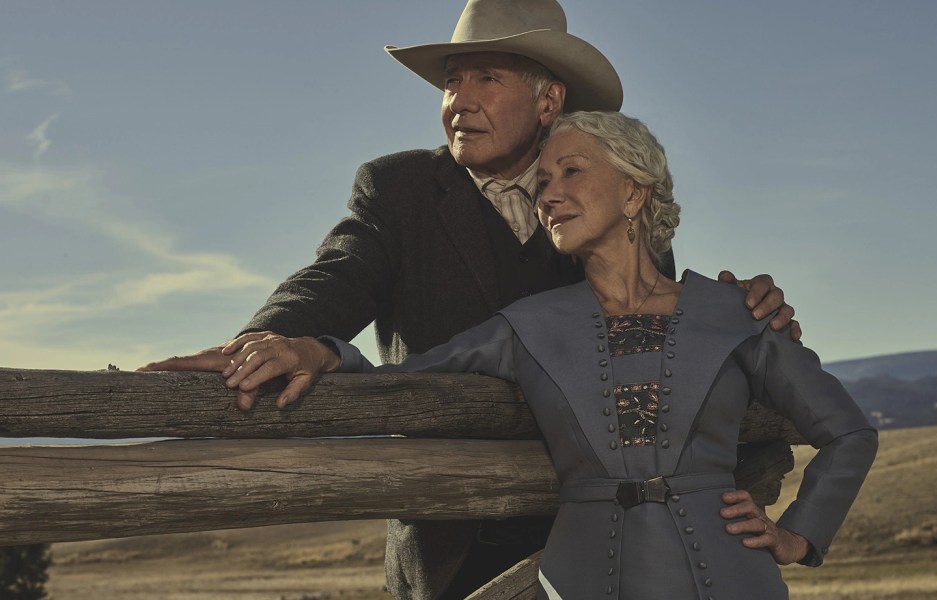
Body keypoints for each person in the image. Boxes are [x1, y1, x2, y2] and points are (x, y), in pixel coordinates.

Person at [140, 1, 801, 597]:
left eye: (487, 77)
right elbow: (338, 275)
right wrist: (279, 335)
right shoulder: (398, 190)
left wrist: (734, 324)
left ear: (549, 103)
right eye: (452, 80)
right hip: (449, 547)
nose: (460, 98)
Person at [215, 110, 878, 599]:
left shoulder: (734, 313)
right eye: (544, 178)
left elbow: (847, 431)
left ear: (634, 191)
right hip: (579, 578)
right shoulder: (526, 326)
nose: (548, 192)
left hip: (734, 577)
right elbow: (404, 379)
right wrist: (317, 350)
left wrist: (800, 534)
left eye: (571, 172)